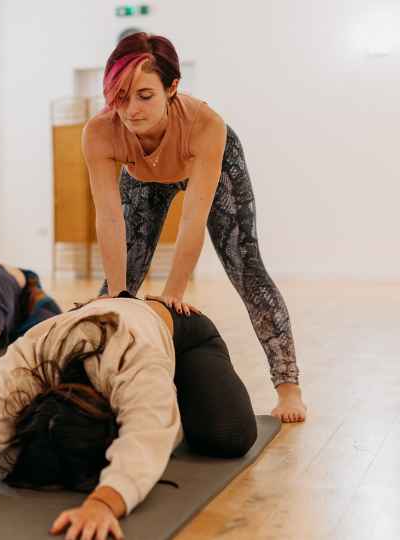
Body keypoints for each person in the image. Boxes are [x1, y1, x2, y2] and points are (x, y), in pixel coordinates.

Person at [0, 293, 257, 539]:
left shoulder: (131, 357)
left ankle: (178, 387)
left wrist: (104, 502)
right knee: (152, 405)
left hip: (179, 332)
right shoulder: (28, 362)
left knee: (227, 436)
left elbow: (146, 439)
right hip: (99, 325)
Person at [81, 32, 305, 422]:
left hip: (208, 166)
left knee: (246, 266)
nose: (131, 110)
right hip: (143, 178)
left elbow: (193, 217)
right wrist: (118, 292)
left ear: (172, 88)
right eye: (120, 96)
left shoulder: (205, 124)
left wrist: (173, 292)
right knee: (115, 288)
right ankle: (93, 388)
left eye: (145, 95)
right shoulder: (101, 132)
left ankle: (289, 387)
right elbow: (108, 216)